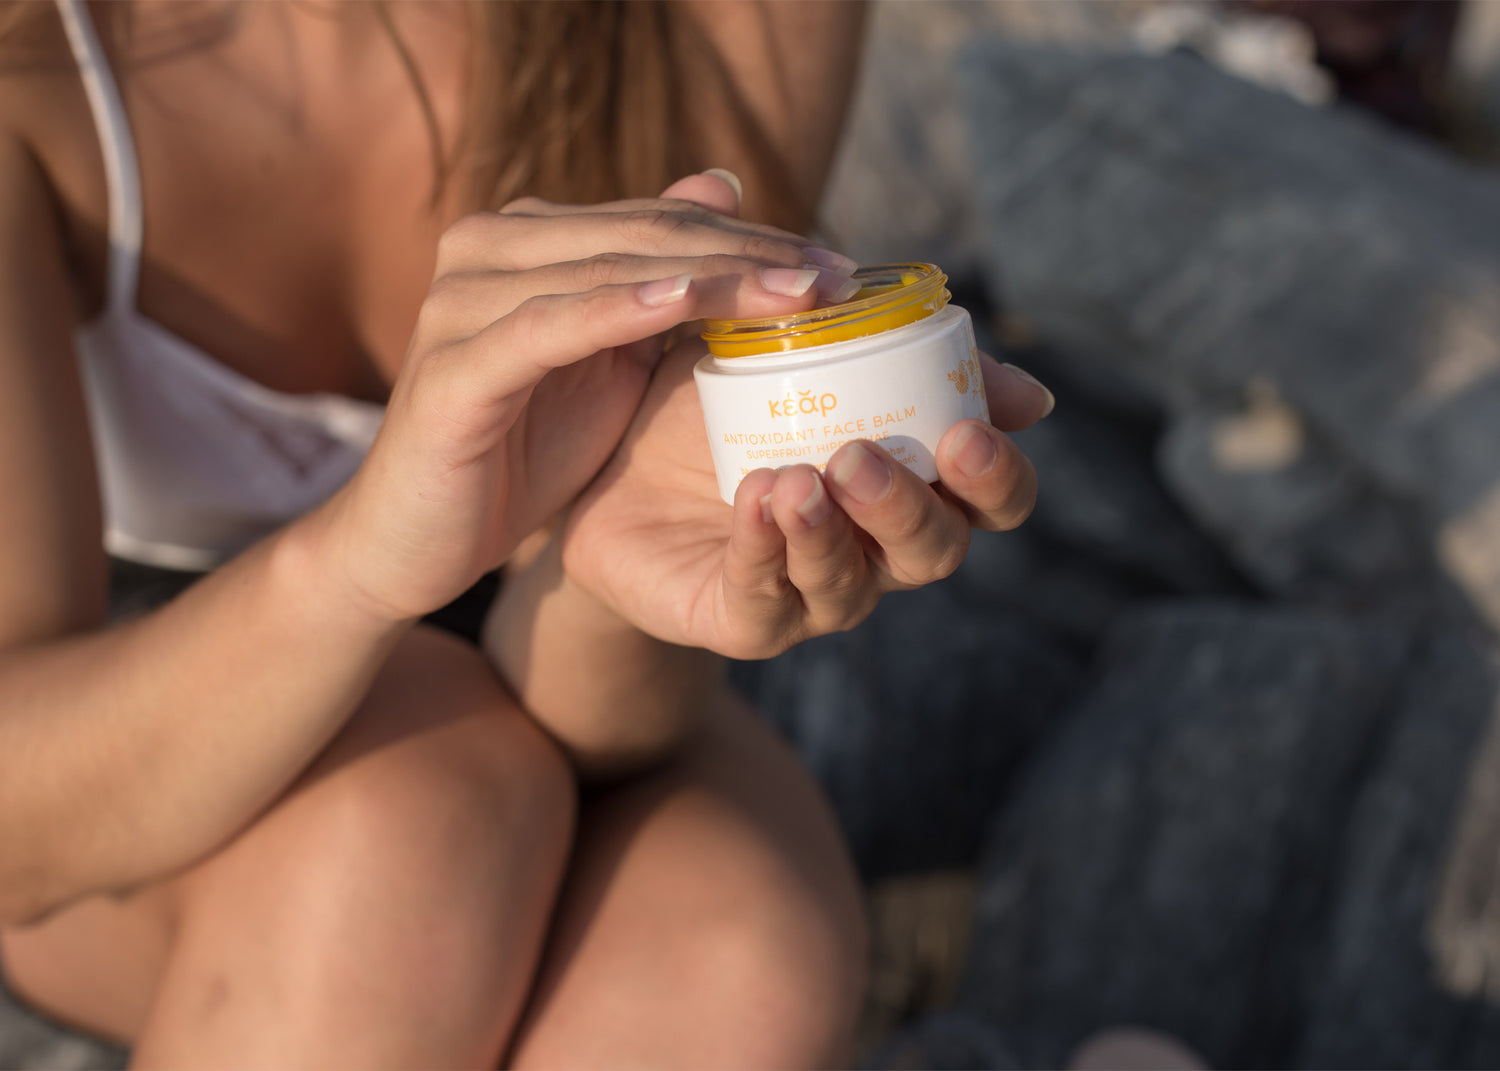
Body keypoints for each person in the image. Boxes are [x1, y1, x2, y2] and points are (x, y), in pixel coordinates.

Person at [0, 1, 1050, 1066]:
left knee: (735, 953)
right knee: (400, 822)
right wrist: (357, 568)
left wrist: (618, 568)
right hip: (124, 729)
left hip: (536, 677)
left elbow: (606, 719)